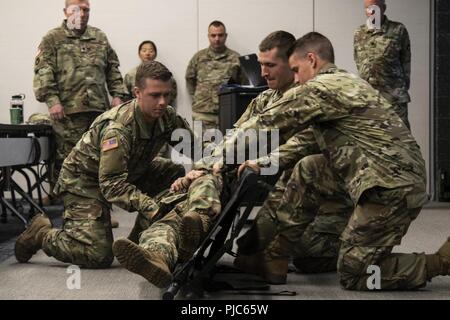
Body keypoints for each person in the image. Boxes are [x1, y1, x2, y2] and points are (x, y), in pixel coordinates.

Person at [111, 31, 336, 288]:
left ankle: (197, 218)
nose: (262, 72)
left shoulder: (311, 98)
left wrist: (218, 165)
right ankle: (160, 253)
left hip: (290, 191)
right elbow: (235, 138)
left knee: (306, 255)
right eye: (261, 64)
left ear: (292, 62)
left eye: (270, 65)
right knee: (185, 205)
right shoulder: (263, 99)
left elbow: (297, 147)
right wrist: (205, 167)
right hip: (245, 181)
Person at [228, 31, 449, 290]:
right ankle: (275, 255)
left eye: (297, 70)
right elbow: (306, 141)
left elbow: (265, 123)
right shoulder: (345, 84)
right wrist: (263, 163)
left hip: (391, 188)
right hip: (376, 176)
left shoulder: (322, 87)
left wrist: (215, 160)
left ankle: (441, 261)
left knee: (355, 274)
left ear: (312, 60)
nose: (296, 79)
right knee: (310, 168)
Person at [15, 61, 194, 269]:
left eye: (167, 94)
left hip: (124, 172)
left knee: (172, 172)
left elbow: (195, 146)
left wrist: (214, 163)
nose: (163, 102)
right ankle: (41, 234)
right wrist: (151, 207)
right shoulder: (118, 128)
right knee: (98, 255)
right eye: (155, 95)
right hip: (83, 182)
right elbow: (111, 184)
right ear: (137, 92)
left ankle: (138, 240)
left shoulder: (167, 116)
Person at [33, 0, 128, 207]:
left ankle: (99, 212)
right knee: (69, 162)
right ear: (66, 12)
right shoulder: (52, 39)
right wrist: (52, 100)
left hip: (98, 112)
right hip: (67, 112)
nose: (82, 13)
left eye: (86, 9)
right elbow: (43, 71)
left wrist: (118, 96)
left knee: (100, 161)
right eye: (76, 9)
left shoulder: (99, 37)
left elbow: (112, 69)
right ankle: (73, 212)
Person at [354, 0, 412, 128]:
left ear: (384, 8)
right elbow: (358, 61)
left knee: (401, 140)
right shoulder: (359, 33)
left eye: (375, 8)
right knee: (371, 140)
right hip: (369, 99)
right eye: (368, 8)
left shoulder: (398, 30)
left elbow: (406, 61)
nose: (371, 12)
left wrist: (400, 88)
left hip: (393, 97)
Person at [185, 20, 245, 133]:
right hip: (202, 113)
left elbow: (243, 84)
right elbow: (189, 79)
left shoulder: (236, 58)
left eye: (220, 35)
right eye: (213, 35)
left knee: (228, 149)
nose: (217, 39)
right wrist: (197, 98)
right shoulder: (198, 57)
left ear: (225, 36)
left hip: (228, 113)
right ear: (208, 36)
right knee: (202, 149)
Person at [124, 40, 177, 107]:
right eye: (144, 50)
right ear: (139, 54)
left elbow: (172, 94)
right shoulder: (130, 75)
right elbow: (125, 97)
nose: (147, 53)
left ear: (155, 54)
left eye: (151, 51)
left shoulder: (164, 74)